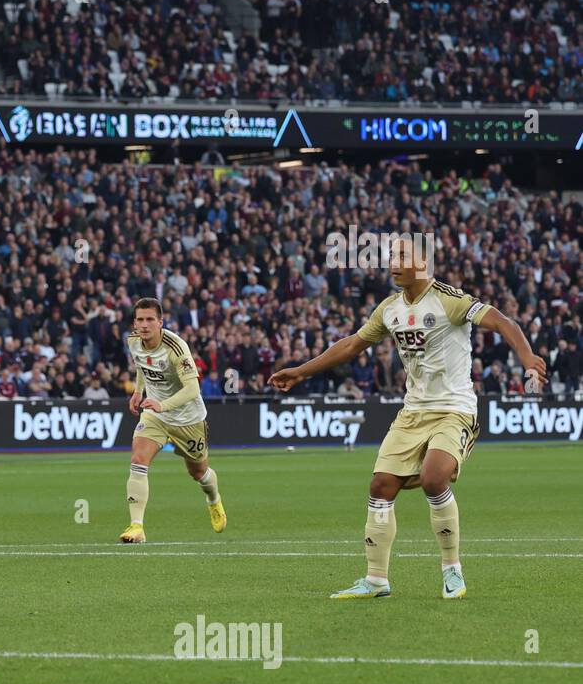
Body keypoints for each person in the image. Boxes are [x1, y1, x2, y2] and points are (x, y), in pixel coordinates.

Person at [269, 237, 547, 599]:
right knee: (380, 486)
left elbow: (504, 322)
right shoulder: (389, 309)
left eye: (402, 255)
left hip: (454, 410)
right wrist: (302, 372)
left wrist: (527, 359)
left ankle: (452, 571)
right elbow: (351, 345)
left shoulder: (450, 300)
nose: (393, 262)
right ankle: (376, 579)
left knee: (434, 478)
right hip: (412, 411)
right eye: (391, 256)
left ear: (424, 261)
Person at [120, 298, 226, 543]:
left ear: (160, 322)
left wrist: (162, 404)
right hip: (155, 414)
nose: (144, 325)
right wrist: (138, 392)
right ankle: (136, 527)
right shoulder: (133, 340)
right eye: (140, 320)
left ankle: (214, 500)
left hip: (188, 418)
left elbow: (192, 390)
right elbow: (141, 365)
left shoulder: (176, 348)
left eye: (149, 320)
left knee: (198, 471)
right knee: (138, 459)